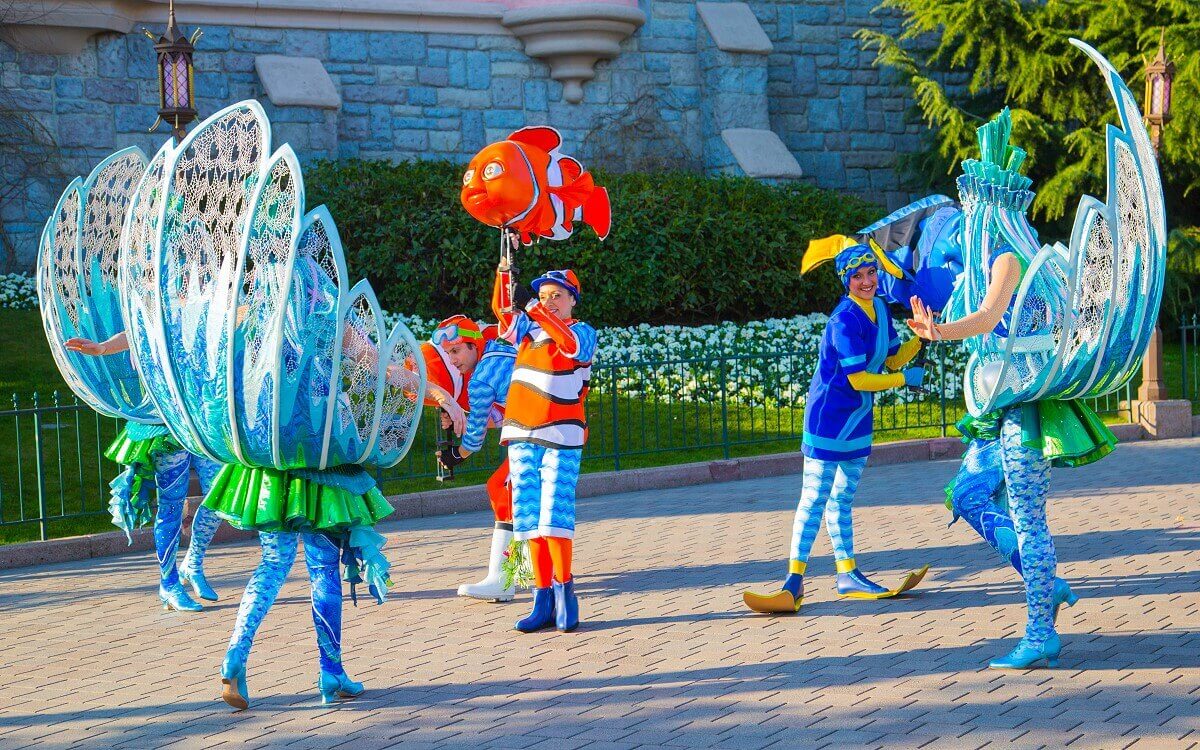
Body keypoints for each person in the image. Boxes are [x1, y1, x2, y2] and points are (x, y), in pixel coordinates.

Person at [743, 244, 929, 614]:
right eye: (857, 276)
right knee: (813, 500)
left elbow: (890, 356)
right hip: (828, 422)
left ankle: (847, 574)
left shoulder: (879, 309)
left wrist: (921, 339)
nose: (866, 281)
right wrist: (904, 379)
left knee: (842, 500)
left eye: (871, 272)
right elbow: (859, 379)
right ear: (846, 281)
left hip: (858, 423)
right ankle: (793, 583)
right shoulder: (842, 321)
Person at [65, 332, 225, 611]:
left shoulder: (195, 303)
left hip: (201, 424)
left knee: (220, 496)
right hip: (164, 426)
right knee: (171, 506)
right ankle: (169, 583)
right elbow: (135, 330)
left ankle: (194, 562)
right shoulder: (151, 310)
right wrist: (103, 348)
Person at [493, 266, 596, 633]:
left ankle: (565, 590)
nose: (549, 301)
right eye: (544, 294)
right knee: (527, 518)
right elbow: (503, 309)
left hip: (563, 434)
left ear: (572, 300)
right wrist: (506, 266)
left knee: (555, 513)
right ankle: (542, 598)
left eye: (557, 295)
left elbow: (570, 346)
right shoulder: (528, 329)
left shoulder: (582, 331)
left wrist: (535, 309)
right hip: (521, 432)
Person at [435, 320, 519, 602]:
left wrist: (454, 456)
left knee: (501, 491)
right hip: (557, 427)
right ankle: (524, 570)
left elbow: (474, 441)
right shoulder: (499, 350)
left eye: (457, 351)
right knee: (519, 498)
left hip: (537, 436)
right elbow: (501, 415)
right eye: (448, 353)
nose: (453, 360)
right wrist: (467, 419)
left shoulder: (481, 377)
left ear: (474, 345)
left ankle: (503, 580)